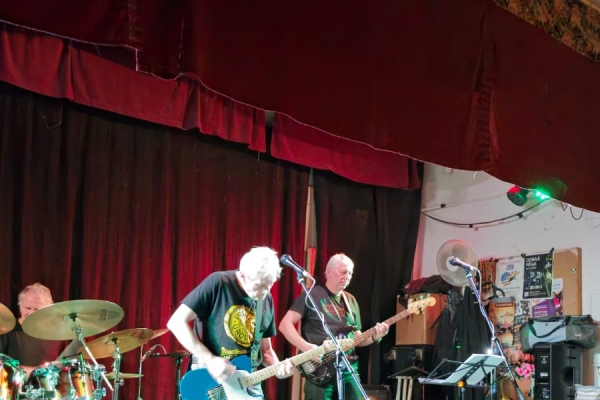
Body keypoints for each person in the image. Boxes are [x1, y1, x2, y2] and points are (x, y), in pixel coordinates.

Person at [167, 246, 293, 396]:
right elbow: (176, 322)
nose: (265, 292)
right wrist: (210, 360)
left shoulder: (266, 299)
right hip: (211, 381)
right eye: (259, 286)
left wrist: (278, 367)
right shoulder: (218, 283)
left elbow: (266, 351)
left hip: (248, 385)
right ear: (243, 275)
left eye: (269, 285)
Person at [279, 253, 389, 400]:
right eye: (343, 272)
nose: (347, 277)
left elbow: (356, 338)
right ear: (329, 272)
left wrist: (376, 336)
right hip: (320, 368)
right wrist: (307, 347)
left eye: (350, 273)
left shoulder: (350, 300)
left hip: (348, 368)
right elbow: (285, 325)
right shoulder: (312, 294)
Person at [0, 283, 65, 377]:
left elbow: (63, 366)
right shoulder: (5, 331)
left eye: (36, 309)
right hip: (14, 385)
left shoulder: (57, 334)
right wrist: (36, 371)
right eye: (28, 308)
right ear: (20, 306)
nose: (31, 313)